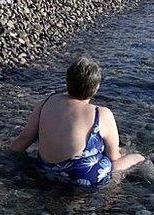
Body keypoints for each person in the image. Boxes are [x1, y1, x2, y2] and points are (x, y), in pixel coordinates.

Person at [9, 57, 145, 187]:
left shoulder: (46, 102)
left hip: (44, 171)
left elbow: (23, 140)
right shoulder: (101, 113)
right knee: (136, 158)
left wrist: (8, 159)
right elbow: (113, 157)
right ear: (96, 87)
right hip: (80, 178)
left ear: (67, 81)